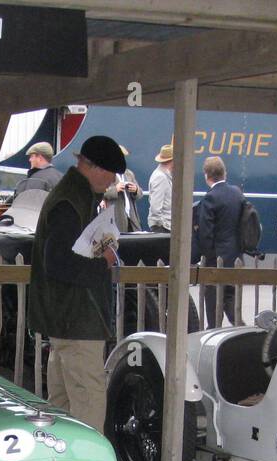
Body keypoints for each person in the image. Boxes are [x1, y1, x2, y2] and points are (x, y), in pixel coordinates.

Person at [29, 135, 124, 443]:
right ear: (92, 167)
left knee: (62, 407)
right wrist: (104, 261)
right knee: (88, 407)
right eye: (110, 173)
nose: (112, 180)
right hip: (77, 320)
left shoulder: (70, 195)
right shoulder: (70, 201)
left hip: (66, 320)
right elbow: (59, 262)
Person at [192, 155, 246, 328]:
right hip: (235, 258)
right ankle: (243, 332)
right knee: (231, 302)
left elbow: (205, 233)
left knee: (214, 310)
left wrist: (205, 256)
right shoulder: (237, 193)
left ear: (206, 175)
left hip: (216, 261)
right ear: (225, 173)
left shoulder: (210, 198)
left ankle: (213, 336)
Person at [102, 145, 142, 232]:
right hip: (116, 218)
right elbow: (99, 192)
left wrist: (135, 190)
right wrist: (115, 189)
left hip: (131, 218)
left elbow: (140, 194)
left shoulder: (129, 173)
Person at [147, 144, 173, 232]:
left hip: (165, 226)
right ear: (172, 160)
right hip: (162, 228)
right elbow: (155, 207)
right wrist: (162, 225)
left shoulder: (164, 175)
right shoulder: (160, 177)